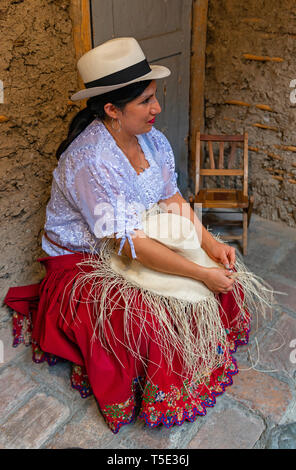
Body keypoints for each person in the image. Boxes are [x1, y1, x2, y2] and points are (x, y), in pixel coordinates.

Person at [4, 37, 270, 434]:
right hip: (84, 260)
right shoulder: (89, 163)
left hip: (135, 236)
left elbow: (173, 198)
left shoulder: (152, 140)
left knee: (219, 268)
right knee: (151, 317)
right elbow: (132, 246)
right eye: (145, 101)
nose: (157, 109)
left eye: (154, 97)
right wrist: (199, 274)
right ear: (111, 109)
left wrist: (211, 244)